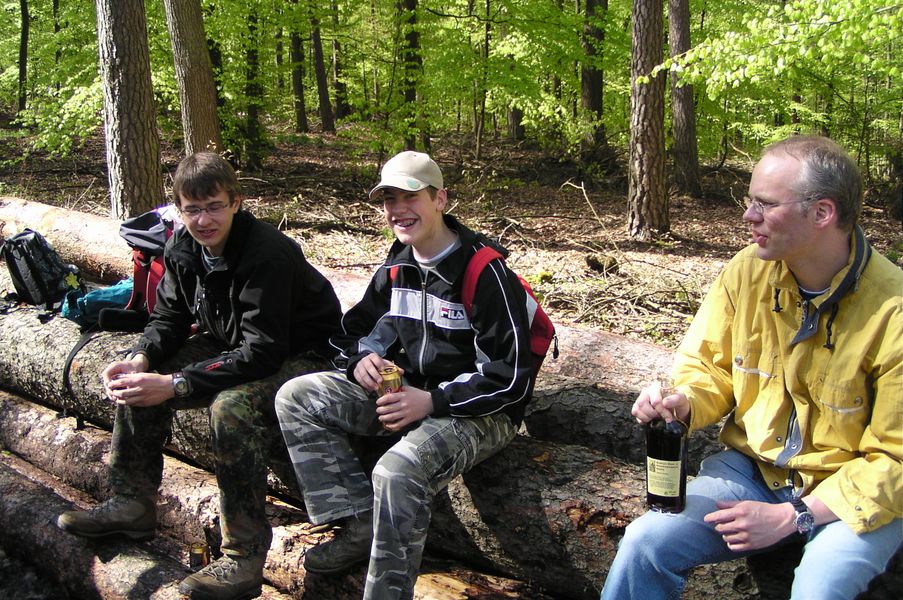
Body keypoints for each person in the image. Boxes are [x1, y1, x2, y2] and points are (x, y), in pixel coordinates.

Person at [601, 135, 902, 600]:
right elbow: (708, 366)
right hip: (755, 473)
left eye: (766, 204)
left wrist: (794, 516)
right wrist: (683, 401)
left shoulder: (893, 310)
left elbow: (895, 460)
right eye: (749, 201)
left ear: (822, 212)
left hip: (853, 494)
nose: (748, 216)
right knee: (646, 541)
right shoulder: (747, 271)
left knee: (819, 587)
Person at [56, 152, 342, 600]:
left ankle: (243, 556)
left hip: (303, 353)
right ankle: (131, 502)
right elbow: (168, 318)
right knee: (139, 380)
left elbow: (264, 352)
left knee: (231, 408)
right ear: (179, 209)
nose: (204, 220)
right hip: (236, 342)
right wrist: (141, 357)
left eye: (214, 207)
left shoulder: (268, 253)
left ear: (236, 202)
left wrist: (177, 384)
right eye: (192, 210)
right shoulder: (182, 248)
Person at [275, 151, 534, 600]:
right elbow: (349, 332)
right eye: (389, 199)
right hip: (412, 394)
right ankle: (360, 524)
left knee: (395, 471)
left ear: (440, 199)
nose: (398, 209)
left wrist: (433, 401)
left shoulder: (484, 272)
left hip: (482, 412)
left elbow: (510, 378)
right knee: (297, 397)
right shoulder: (398, 266)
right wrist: (359, 360)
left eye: (410, 197)